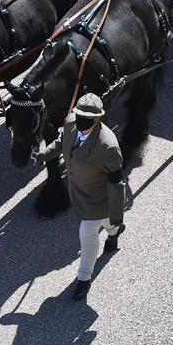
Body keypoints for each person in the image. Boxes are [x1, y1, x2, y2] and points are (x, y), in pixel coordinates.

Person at [41, 93, 125, 301]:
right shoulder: (71, 123)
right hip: (78, 192)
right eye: (78, 114)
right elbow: (62, 141)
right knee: (108, 224)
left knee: (87, 232)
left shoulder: (108, 146)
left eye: (87, 117)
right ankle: (114, 230)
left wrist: (117, 213)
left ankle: (84, 279)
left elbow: (117, 184)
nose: (80, 120)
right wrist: (43, 155)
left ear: (97, 119)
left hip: (99, 199)